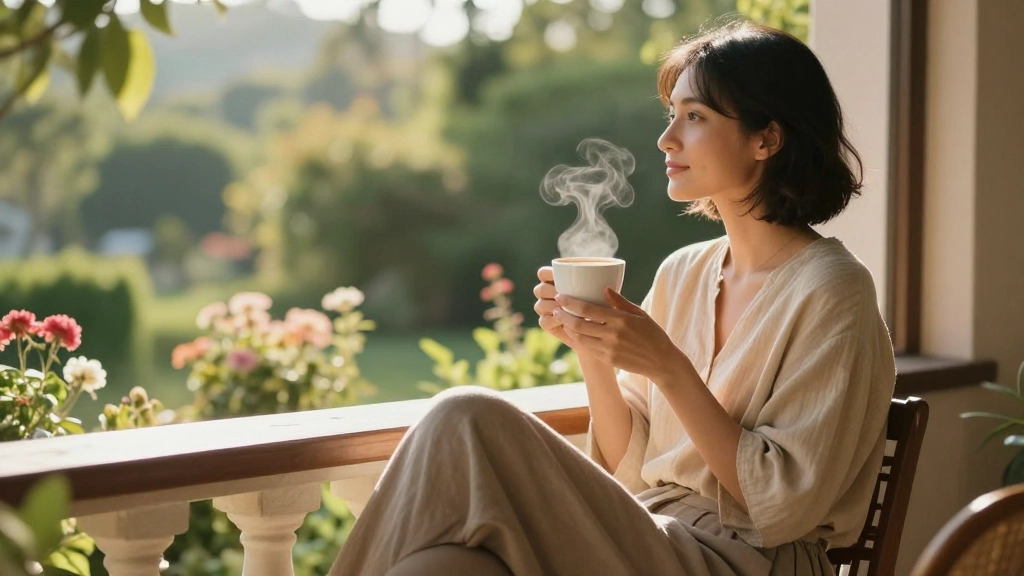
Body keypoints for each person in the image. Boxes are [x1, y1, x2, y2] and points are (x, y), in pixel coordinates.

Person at [328, 19, 895, 576]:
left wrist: (669, 368)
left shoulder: (832, 289)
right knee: (442, 564)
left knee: (465, 415)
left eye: (694, 116)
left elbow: (781, 504)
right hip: (649, 536)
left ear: (766, 138)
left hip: (748, 560)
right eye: (671, 114)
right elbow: (631, 470)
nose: (666, 138)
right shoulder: (684, 273)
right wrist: (593, 347)